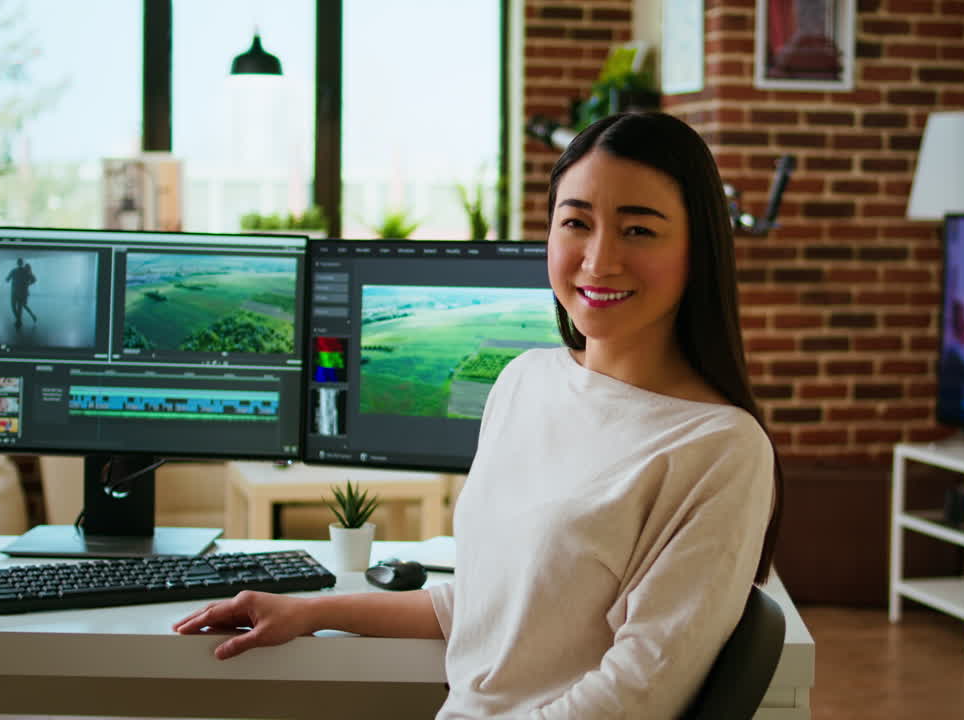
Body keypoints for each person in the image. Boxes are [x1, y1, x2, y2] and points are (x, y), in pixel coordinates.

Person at [173, 112, 783, 718]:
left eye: (639, 231)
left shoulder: (721, 448)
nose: (599, 260)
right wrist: (310, 610)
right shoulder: (524, 382)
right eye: (577, 222)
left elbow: (637, 696)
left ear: (698, 248)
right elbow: (497, 604)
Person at [4, 257, 38, 329]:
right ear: (19, 263)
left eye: (20, 262)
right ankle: (21, 319)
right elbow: (34, 279)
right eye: (19, 262)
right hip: (17, 292)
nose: (19, 263)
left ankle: (19, 321)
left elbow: (34, 279)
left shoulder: (22, 271)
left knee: (19, 307)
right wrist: (28, 284)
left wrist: (28, 284)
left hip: (20, 292)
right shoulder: (16, 271)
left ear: (19, 263)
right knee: (19, 307)